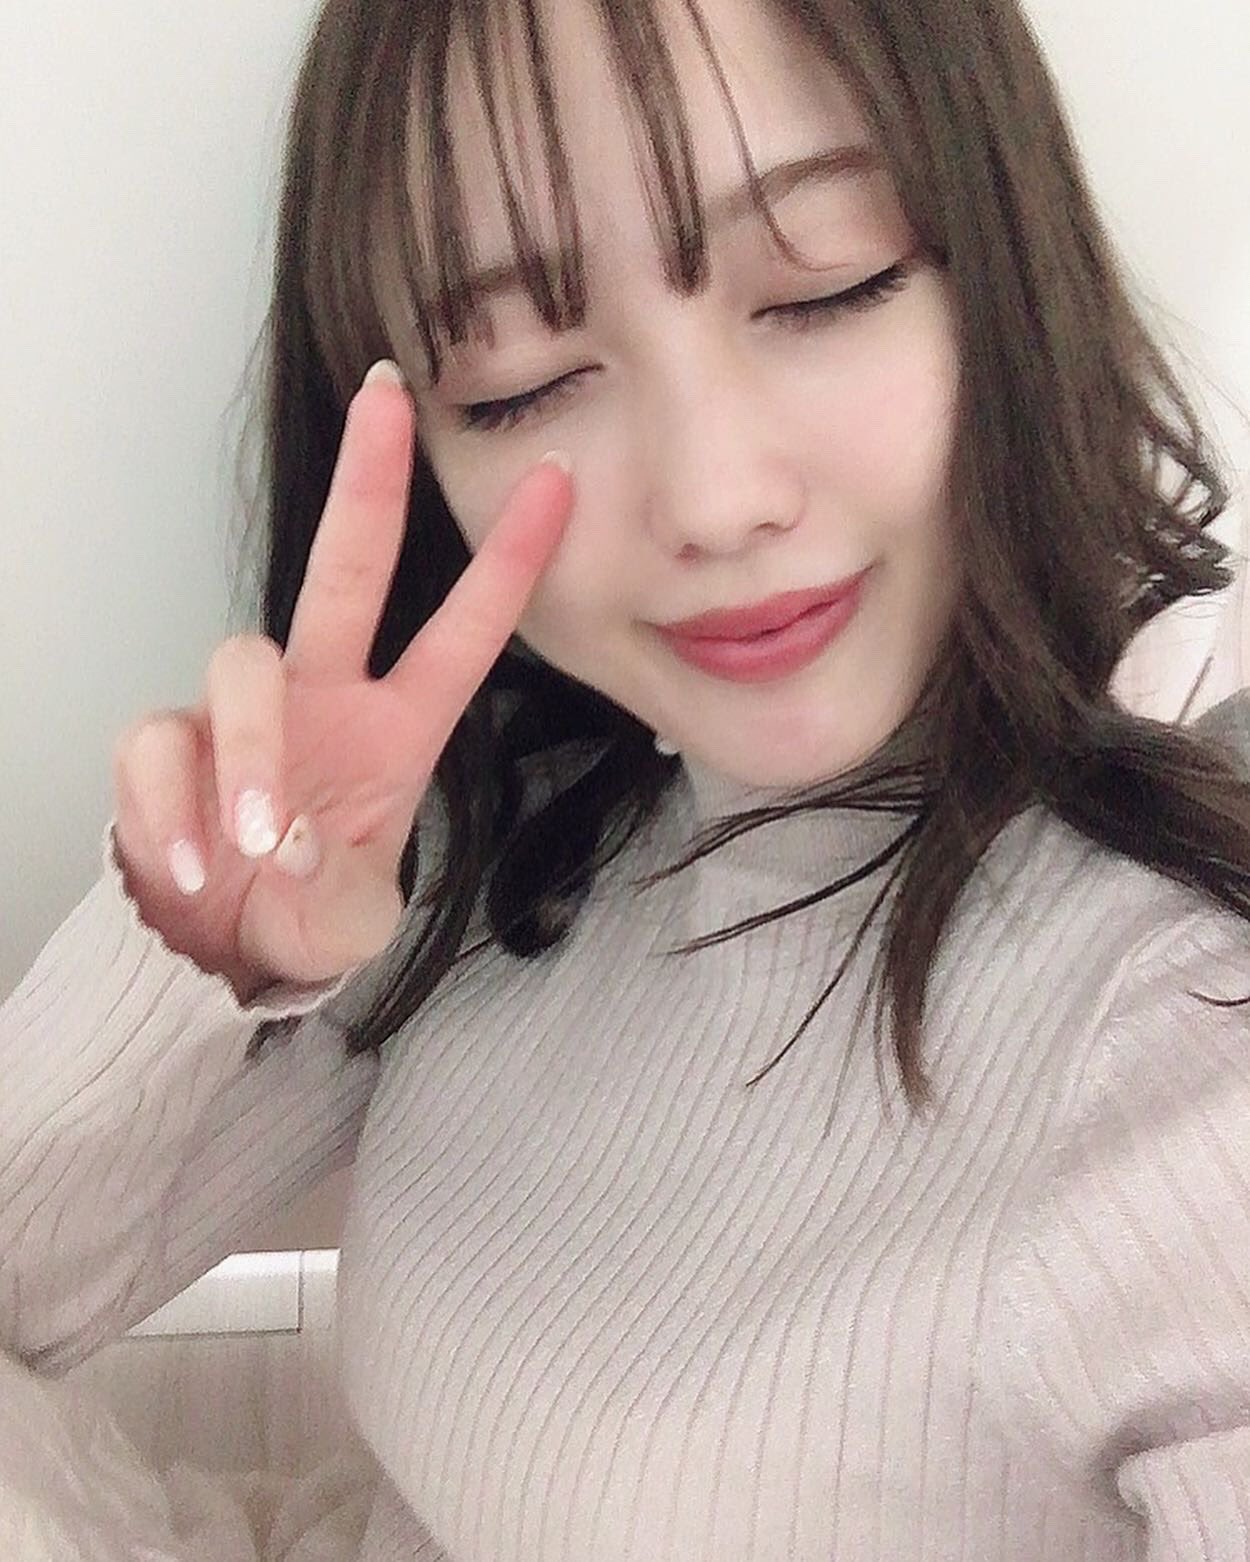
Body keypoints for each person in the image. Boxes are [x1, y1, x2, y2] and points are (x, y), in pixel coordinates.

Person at [3, 0, 1250, 1556]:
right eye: (520, 383)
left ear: (1006, 257)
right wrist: (202, 958)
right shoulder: (514, 826)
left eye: (826, 284)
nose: (715, 499)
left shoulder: (1185, 1035)